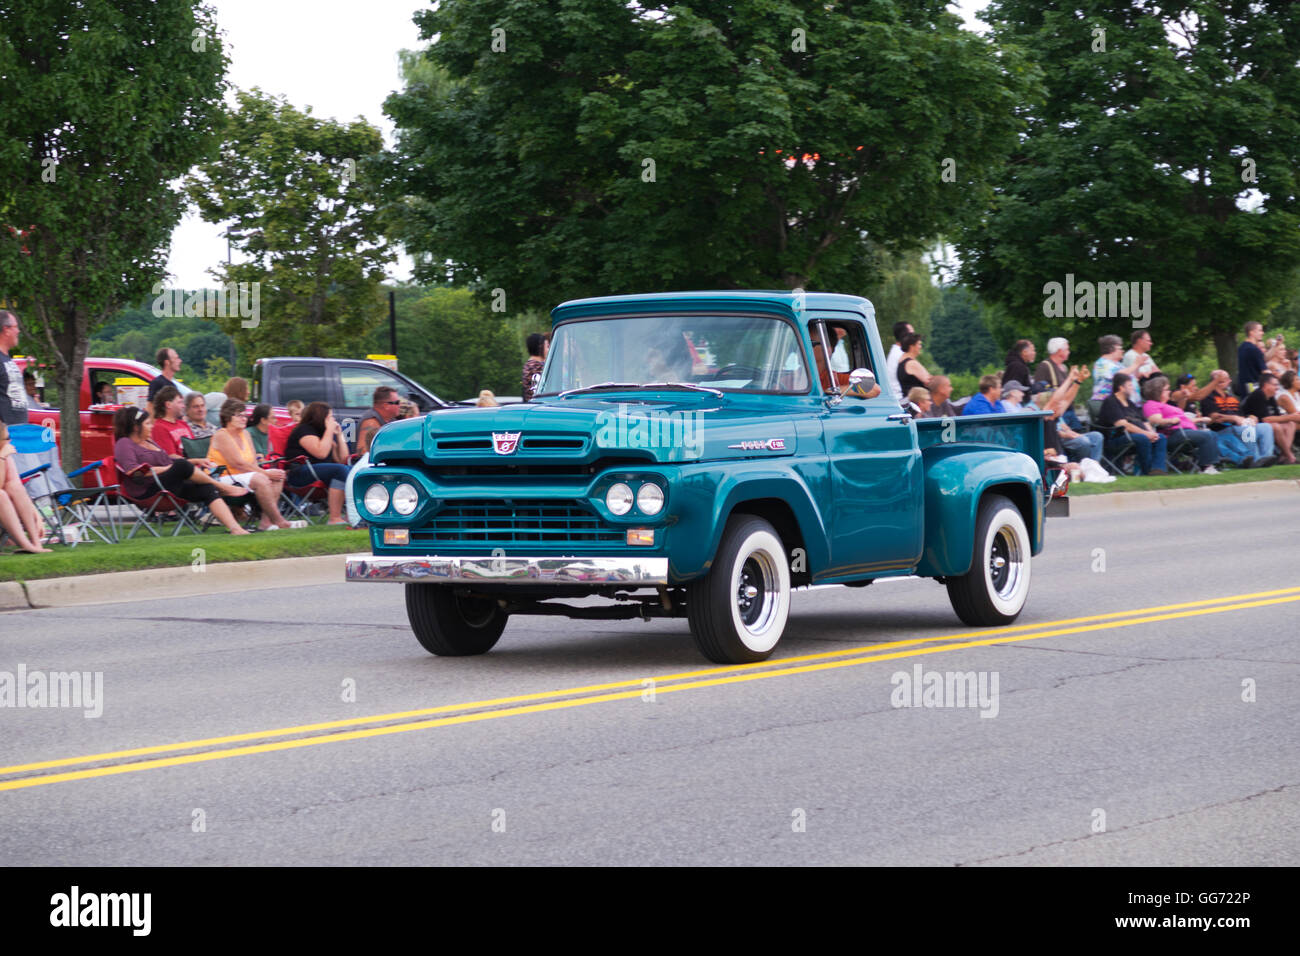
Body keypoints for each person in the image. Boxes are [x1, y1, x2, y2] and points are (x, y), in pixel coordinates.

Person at [112, 406, 251, 535]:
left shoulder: (149, 442)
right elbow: (133, 472)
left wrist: (195, 461)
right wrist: (169, 468)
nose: (151, 426)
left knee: (206, 488)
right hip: (147, 491)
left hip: (167, 487)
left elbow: (170, 463)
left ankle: (235, 528)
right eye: (148, 423)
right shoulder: (124, 443)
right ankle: (222, 486)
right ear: (136, 427)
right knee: (181, 465)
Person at [210, 399, 300, 530]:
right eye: (239, 415)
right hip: (223, 476)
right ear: (228, 417)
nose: (244, 418)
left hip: (243, 476)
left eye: (244, 415)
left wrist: (267, 473)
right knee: (262, 478)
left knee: (278, 476)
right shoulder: (222, 435)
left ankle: (266, 522)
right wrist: (265, 473)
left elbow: (252, 461)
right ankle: (280, 521)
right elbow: (237, 463)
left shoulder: (245, 434)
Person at [284, 401, 351, 525]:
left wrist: (340, 435)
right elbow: (321, 453)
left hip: (316, 473)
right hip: (298, 474)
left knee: (351, 470)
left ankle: (350, 515)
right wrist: (330, 430)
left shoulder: (324, 433)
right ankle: (334, 518)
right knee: (340, 470)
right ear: (321, 417)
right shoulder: (304, 430)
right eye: (330, 417)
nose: (333, 420)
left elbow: (343, 459)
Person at [1140, 376, 1222, 474]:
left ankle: (1211, 465)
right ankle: (1206, 467)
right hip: (1172, 434)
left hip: (1185, 432)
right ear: (1157, 392)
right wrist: (1171, 420)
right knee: (1206, 436)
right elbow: (1155, 420)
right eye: (1166, 390)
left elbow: (1184, 419)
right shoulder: (1151, 404)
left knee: (1213, 434)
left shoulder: (1168, 406)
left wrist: (1200, 419)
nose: (1169, 392)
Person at [1201, 369, 1277, 467]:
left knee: (1266, 427)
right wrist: (1233, 418)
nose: (1230, 381)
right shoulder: (1208, 397)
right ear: (1218, 381)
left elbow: (1241, 415)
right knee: (1247, 430)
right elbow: (1213, 417)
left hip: (1238, 427)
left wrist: (1250, 417)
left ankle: (1266, 458)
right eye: (1227, 378)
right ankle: (1255, 459)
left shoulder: (1231, 397)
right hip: (1222, 429)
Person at [1097, 373, 1167, 474]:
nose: (1133, 388)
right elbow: (1123, 425)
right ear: (1121, 387)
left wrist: (1151, 433)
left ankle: (1158, 469)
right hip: (1115, 439)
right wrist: (1146, 434)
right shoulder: (1111, 402)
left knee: (1160, 438)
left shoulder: (1130, 403)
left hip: (1135, 436)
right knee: (1142, 438)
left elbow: (1144, 421)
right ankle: (1147, 471)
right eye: (1130, 385)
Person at [0, 421, 52, 552]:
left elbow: (17, 486)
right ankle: (26, 545)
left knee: (14, 487)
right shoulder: (3, 454)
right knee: (1, 495)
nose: (10, 440)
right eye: (6, 438)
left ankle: (36, 543)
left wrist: (37, 515)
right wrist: (1, 458)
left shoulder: (6, 454)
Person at [1241, 373, 1298, 465]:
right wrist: (1290, 416)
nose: (1277, 388)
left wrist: (1291, 418)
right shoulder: (1258, 395)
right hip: (1253, 426)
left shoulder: (1270, 397)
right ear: (1266, 385)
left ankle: (1283, 456)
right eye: (1275, 385)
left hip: (1267, 424)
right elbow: (1265, 419)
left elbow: (1278, 416)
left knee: (1291, 424)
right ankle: (1290, 456)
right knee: (1276, 426)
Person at [1090, 334, 1147, 416]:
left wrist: (1138, 366)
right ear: (1111, 349)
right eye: (1120, 348)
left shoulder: (1117, 364)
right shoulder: (1102, 364)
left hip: (1128, 405)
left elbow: (1132, 376)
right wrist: (1135, 364)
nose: (1122, 351)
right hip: (1112, 406)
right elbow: (1119, 376)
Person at [0, 309, 30, 426]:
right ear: (6, 330)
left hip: (18, 432)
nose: (18, 331)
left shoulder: (7, 359)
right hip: (5, 437)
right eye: (15, 327)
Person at [150, 386, 195, 458]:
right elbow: (170, 457)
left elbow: (195, 448)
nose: (183, 406)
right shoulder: (159, 428)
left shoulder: (183, 424)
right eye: (179, 402)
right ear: (168, 405)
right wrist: (196, 461)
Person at [357, 386, 402, 455]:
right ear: (386, 405)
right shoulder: (370, 422)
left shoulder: (390, 419)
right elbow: (362, 452)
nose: (400, 405)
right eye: (397, 402)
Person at [1235, 321, 1269, 397]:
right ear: (1252, 333)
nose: (1262, 333)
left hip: (1245, 389)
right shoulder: (1254, 349)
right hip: (1255, 388)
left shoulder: (1242, 348)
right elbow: (1265, 372)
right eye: (1260, 330)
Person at [884, 321, 913, 403]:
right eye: (911, 334)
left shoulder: (896, 352)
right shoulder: (901, 355)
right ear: (904, 335)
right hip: (901, 399)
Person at [522, 332, 548, 402]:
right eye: (547, 346)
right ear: (540, 347)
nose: (548, 350)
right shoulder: (536, 367)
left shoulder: (529, 365)